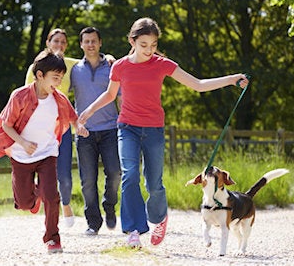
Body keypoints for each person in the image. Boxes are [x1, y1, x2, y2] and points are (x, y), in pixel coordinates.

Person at [77, 17, 249, 249]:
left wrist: (231, 79)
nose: (149, 50)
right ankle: (134, 230)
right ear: (132, 41)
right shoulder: (120, 66)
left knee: (154, 183)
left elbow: (198, 84)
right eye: (144, 44)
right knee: (129, 176)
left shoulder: (162, 64)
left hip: (154, 130)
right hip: (127, 127)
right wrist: (88, 110)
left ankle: (158, 219)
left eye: (153, 44)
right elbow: (110, 95)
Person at [0, 49, 88, 254]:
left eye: (61, 77)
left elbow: (72, 117)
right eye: (55, 77)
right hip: (21, 154)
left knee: (52, 196)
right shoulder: (19, 96)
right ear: (39, 75)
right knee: (25, 202)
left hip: (47, 153)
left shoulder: (59, 99)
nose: (58, 82)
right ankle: (33, 197)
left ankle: (52, 238)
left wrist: (79, 127)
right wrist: (23, 142)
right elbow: (7, 125)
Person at [69, 27, 121, 236]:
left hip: (110, 129)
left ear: (100, 43)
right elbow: (61, 94)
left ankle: (109, 205)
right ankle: (93, 222)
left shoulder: (111, 66)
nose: (90, 45)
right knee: (88, 180)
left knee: (115, 173)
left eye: (94, 41)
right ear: (81, 44)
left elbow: (120, 96)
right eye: (86, 41)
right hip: (84, 133)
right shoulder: (74, 70)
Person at [24, 28, 79, 227]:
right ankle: (37, 195)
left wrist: (107, 56)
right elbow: (27, 96)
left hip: (62, 128)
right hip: (39, 128)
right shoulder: (35, 67)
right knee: (40, 169)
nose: (60, 45)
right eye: (56, 41)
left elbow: (93, 63)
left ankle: (65, 204)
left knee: (64, 175)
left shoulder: (73, 65)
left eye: (63, 42)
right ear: (48, 43)